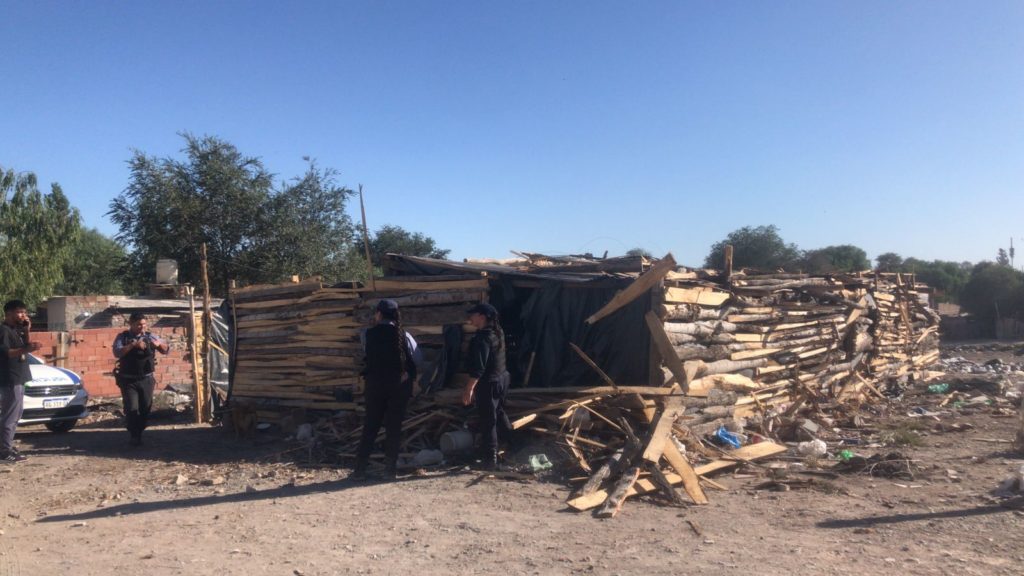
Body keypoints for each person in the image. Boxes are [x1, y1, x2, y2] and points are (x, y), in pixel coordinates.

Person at [352, 299, 417, 480]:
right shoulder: (404, 335)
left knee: (370, 426)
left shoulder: (367, 334)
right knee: (394, 427)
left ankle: (360, 469)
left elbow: (369, 356)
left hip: (375, 385)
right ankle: (390, 470)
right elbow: (417, 359)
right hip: (398, 386)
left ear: (378, 314)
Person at [462, 302, 514, 470]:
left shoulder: (482, 339)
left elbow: (478, 368)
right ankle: (513, 444)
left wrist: (469, 389)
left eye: (473, 314)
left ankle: (490, 460)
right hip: (502, 379)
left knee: (488, 421)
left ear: (482, 317)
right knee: (498, 413)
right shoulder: (498, 333)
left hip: (489, 383)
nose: (470, 317)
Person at [112, 312, 169, 446]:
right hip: (128, 380)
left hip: (146, 379)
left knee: (145, 408)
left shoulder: (150, 336)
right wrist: (133, 345)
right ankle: (134, 435)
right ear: (131, 324)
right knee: (132, 407)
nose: (142, 327)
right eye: (138, 325)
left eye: (144, 324)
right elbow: (117, 352)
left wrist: (158, 345)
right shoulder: (123, 337)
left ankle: (140, 431)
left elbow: (166, 350)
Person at [0, 300, 40, 463]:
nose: (23, 315)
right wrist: (26, 350)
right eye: (19, 312)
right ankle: (4, 451)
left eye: (24, 312)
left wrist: (27, 331)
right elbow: (7, 353)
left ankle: (6, 445)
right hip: (10, 378)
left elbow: (27, 345)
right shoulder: (3, 331)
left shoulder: (17, 330)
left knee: (16, 415)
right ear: (8, 313)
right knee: (9, 415)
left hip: (20, 377)